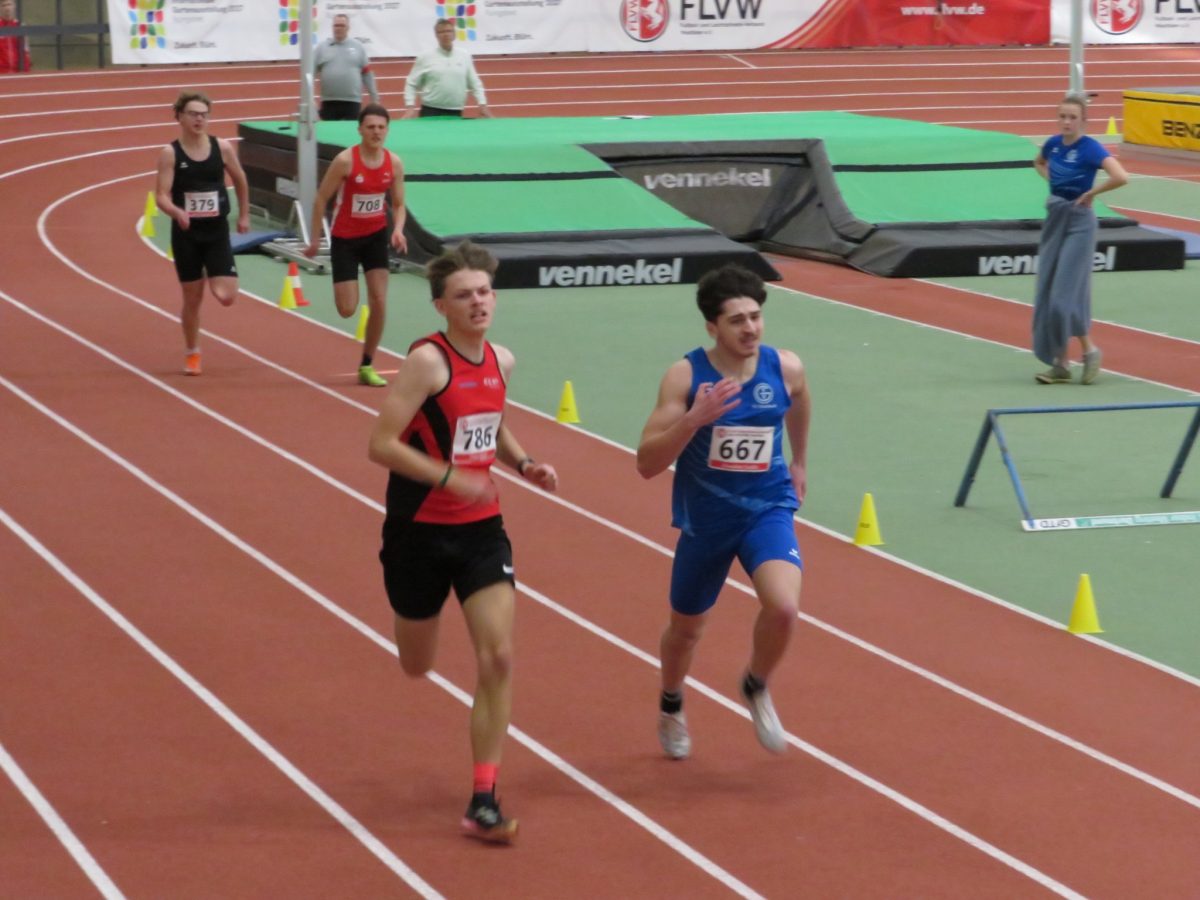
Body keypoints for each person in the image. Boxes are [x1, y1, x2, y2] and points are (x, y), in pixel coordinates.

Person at [367, 241, 558, 844]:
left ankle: (483, 799)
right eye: (464, 295)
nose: (478, 302)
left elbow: (490, 421)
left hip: (480, 531)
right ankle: (416, 618)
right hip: (417, 532)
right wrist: (449, 476)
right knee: (416, 664)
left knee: (498, 657)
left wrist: (523, 463)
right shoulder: (426, 362)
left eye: (484, 292)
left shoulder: (502, 359)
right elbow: (381, 444)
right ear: (440, 306)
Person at [636, 264, 810, 760]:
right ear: (712, 327)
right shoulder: (687, 376)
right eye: (737, 321)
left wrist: (799, 460)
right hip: (706, 520)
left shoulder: (785, 367)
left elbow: (800, 399)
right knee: (686, 630)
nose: (750, 328)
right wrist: (695, 420)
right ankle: (671, 702)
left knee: (784, 607)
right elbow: (646, 463)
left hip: (767, 508)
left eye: (755, 317)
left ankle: (755, 684)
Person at [304, 103, 406, 387]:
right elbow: (320, 199)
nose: (376, 132)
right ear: (360, 129)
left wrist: (398, 230)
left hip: (375, 236)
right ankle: (348, 284)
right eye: (370, 127)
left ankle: (367, 364)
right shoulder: (345, 161)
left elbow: (399, 204)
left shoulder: (394, 163)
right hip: (345, 239)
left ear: (387, 130)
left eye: (381, 127)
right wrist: (315, 238)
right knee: (347, 309)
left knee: (380, 301)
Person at [1031, 93, 1129, 385]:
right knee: (1048, 288)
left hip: (1079, 222)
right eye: (1062, 116)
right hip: (1055, 216)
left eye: (1072, 117)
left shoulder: (1090, 148)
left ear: (1083, 121)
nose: (1066, 122)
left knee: (1063, 296)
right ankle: (1061, 364)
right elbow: (1038, 162)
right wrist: (1051, 180)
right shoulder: (1053, 144)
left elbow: (1121, 177)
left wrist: (1092, 194)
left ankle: (1089, 350)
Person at [154, 91, 250, 376]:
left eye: (204, 114)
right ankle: (192, 352)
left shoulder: (222, 148)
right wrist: (177, 212)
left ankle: (212, 268)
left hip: (216, 232)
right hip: (187, 235)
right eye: (193, 114)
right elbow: (161, 195)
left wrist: (243, 215)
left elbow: (241, 180)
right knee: (192, 299)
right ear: (180, 117)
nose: (199, 119)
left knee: (226, 295)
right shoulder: (170, 153)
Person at [403, 19, 492, 119]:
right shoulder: (425, 57)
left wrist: (482, 105)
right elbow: (411, 83)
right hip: (430, 110)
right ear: (436, 35)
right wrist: (410, 107)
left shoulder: (464, 56)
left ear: (454, 34)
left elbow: (475, 83)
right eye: (441, 32)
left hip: (456, 111)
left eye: (449, 31)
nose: (446, 35)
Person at [314, 13, 379, 121]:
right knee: (328, 130)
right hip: (329, 102)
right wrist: (310, 99)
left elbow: (367, 74)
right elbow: (310, 74)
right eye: (336, 25)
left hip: (352, 101)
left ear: (348, 28)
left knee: (351, 131)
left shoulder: (358, 47)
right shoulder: (322, 48)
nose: (338, 28)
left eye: (342, 25)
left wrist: (374, 98)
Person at [0, 0, 32, 74]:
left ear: (14, 6)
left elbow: (26, 51)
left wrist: (26, 71)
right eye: (4, 5)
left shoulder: (21, 26)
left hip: (19, 72)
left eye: (9, 4)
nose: (7, 8)